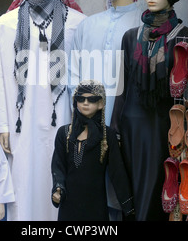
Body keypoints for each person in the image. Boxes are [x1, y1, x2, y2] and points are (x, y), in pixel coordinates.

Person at [0, 0, 86, 221]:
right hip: (21, 120)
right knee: (24, 179)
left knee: (62, 174)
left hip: (63, 114)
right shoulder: (6, 24)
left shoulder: (77, 23)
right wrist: (1, 125)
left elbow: (85, 79)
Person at [111, 0, 188, 220]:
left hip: (165, 126)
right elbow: (121, 86)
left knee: (160, 187)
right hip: (132, 125)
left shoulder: (187, 37)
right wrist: (115, 125)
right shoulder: (130, 37)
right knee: (134, 189)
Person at [69, 0, 141, 220]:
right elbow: (73, 78)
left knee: (125, 193)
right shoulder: (88, 26)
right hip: (91, 125)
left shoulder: (142, 24)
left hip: (128, 126)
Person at [51, 80, 134, 221]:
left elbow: (117, 172)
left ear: (101, 103)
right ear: (75, 101)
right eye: (80, 98)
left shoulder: (107, 136)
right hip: (68, 207)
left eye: (92, 99)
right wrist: (58, 188)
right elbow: (58, 165)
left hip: (95, 207)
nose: (85, 102)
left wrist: (129, 208)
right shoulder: (64, 133)